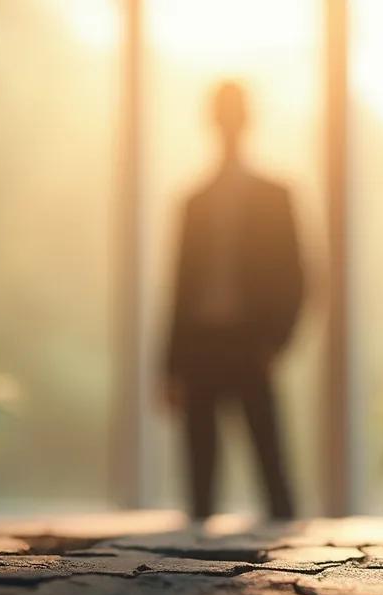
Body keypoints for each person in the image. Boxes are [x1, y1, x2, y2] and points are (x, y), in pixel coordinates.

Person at [163, 81, 304, 521]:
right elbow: (178, 292)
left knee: (273, 473)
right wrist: (169, 367)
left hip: (251, 344)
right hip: (200, 347)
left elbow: (297, 277)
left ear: (246, 121)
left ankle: (293, 574)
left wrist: (275, 343)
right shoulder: (193, 202)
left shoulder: (275, 197)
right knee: (199, 481)